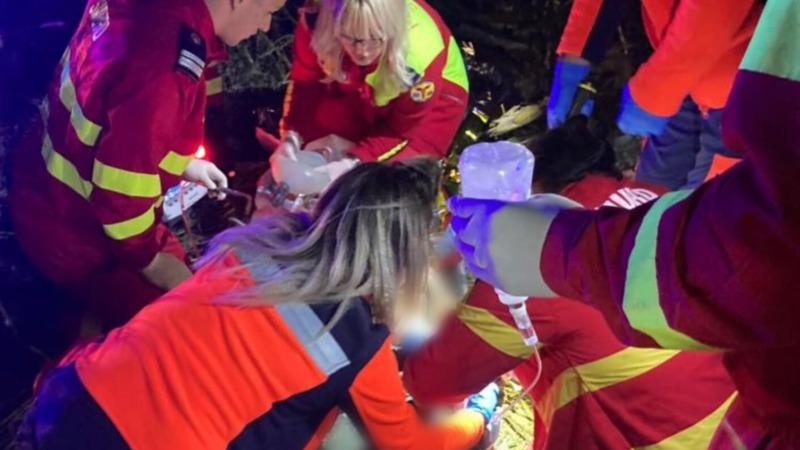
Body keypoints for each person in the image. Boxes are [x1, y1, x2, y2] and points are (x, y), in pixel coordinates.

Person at [448, 1, 800, 447]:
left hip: (770, 408)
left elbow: (745, 251)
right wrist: (577, 52)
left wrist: (560, 250)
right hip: (692, 74)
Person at [16, 159, 497, 450]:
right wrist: (477, 418)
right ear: (402, 257)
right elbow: (405, 441)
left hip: (70, 397)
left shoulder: (250, 246)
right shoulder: (356, 338)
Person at [404, 120, 736, 449]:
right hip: (739, 423)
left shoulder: (535, 254)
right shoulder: (662, 200)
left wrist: (483, 400)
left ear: (532, 189)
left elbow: (431, 382)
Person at [9, 0, 286, 331]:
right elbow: (121, 196)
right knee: (182, 321)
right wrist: (152, 263)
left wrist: (183, 164)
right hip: (81, 236)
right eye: (269, 10)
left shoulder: (154, 15)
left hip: (42, 188)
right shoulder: (167, 62)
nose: (265, 26)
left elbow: (120, 119)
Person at [547, 0, 762, 190]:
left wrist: (659, 90)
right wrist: (578, 51)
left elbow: (717, 8)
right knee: (651, 194)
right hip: (677, 62)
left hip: (743, 81)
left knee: (714, 211)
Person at [280, 0, 469, 182]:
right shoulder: (316, 17)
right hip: (358, 72)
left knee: (394, 176)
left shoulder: (420, 60)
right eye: (350, 36)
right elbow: (306, 83)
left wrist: (353, 161)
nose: (363, 51)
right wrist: (291, 135)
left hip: (430, 96)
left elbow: (399, 131)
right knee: (319, 134)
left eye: (374, 37)